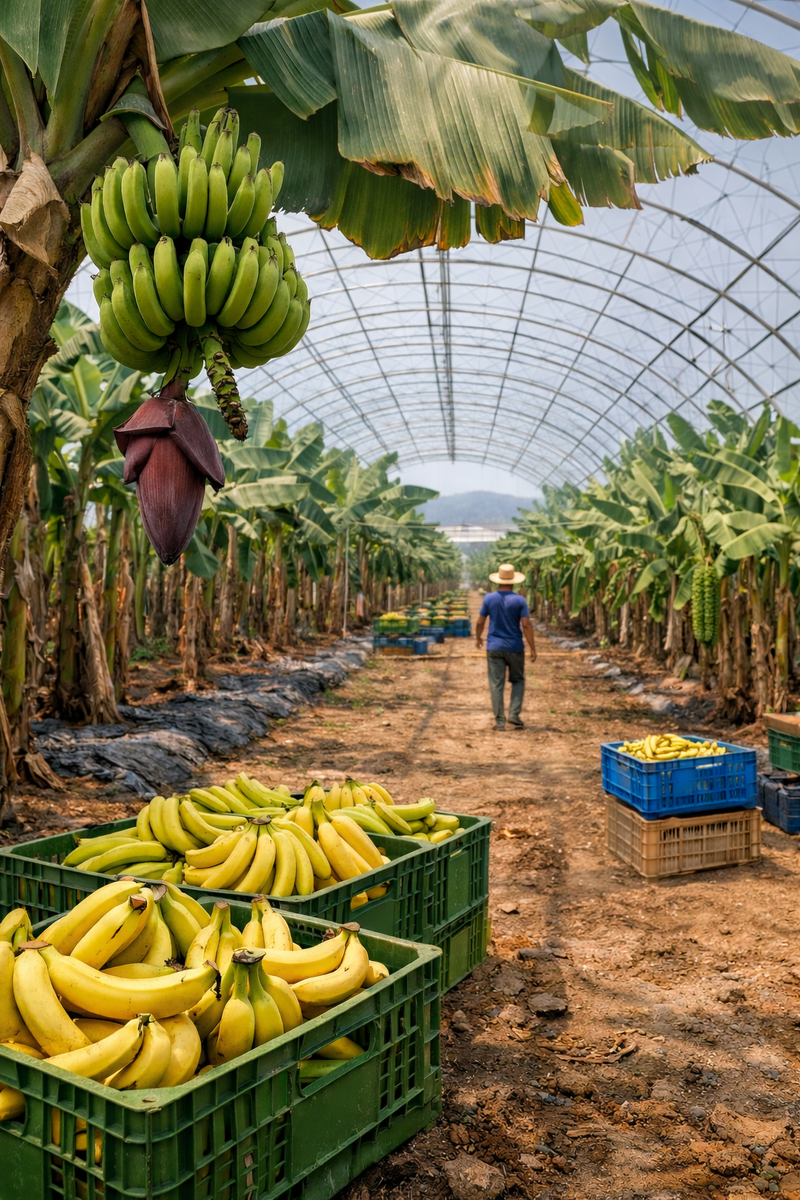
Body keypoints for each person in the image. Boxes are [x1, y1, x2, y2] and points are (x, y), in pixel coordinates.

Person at [475, 563, 537, 731]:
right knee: (518, 680)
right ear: (514, 582)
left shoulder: (489, 598)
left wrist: (478, 637)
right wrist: (532, 647)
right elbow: (526, 625)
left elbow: (480, 621)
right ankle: (514, 715)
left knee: (496, 684)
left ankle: (500, 721)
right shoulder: (520, 600)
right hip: (515, 647)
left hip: (494, 647)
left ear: (498, 580)